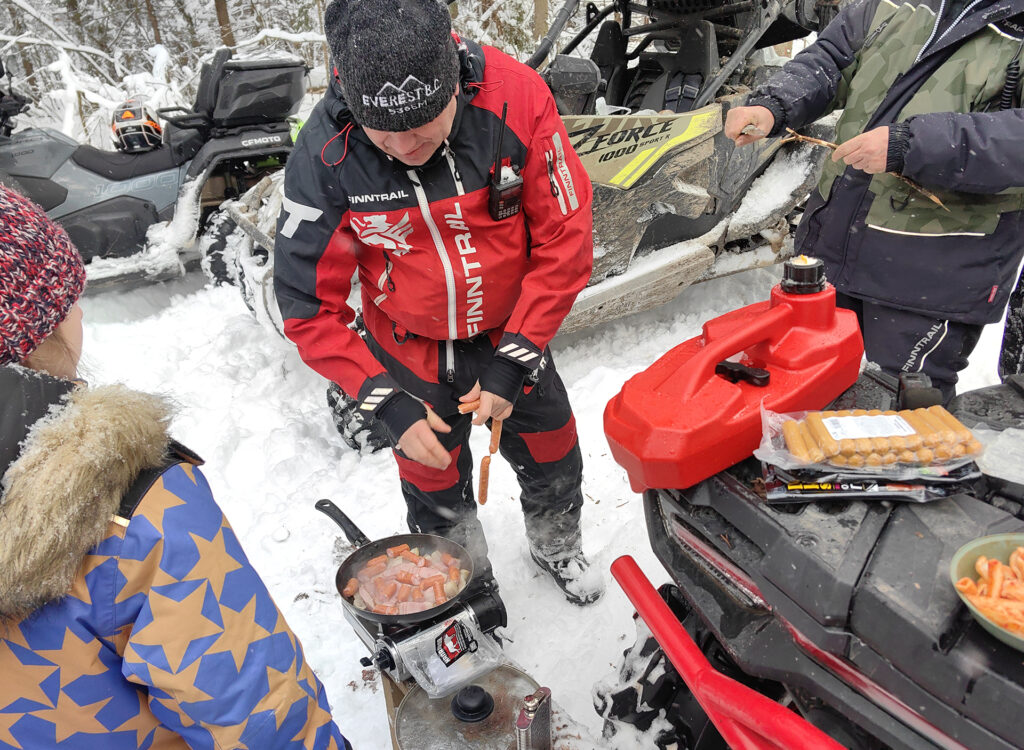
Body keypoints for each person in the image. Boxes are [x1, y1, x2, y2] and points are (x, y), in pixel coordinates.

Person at [273, 0, 603, 605]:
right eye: (383, 131)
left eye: (426, 123)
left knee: (554, 452)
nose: (406, 145)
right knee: (433, 487)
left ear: (456, 81)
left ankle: (557, 546)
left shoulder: (516, 98)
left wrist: (516, 359)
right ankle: (465, 590)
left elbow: (566, 238)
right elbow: (305, 305)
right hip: (409, 348)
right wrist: (383, 402)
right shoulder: (324, 153)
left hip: (510, 330)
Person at [0, 185, 350, 749]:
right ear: (34, 333)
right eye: (66, 299)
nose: (79, 310)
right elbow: (258, 723)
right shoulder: (133, 512)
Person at [725, 0, 1024, 401]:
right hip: (834, 247)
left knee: (899, 420)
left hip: (936, 272)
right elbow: (832, 59)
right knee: (807, 401)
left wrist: (913, 146)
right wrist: (774, 103)